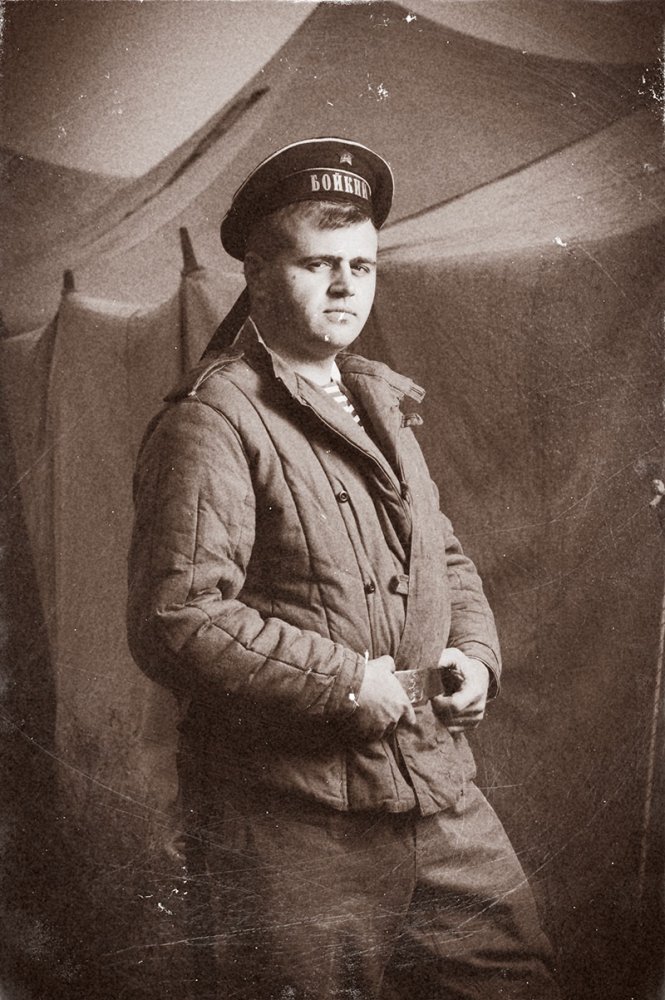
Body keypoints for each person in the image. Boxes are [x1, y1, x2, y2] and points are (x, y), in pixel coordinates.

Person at [127, 137, 560, 1000]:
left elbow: (441, 553)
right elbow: (179, 618)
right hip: (292, 818)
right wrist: (346, 681)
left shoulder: (379, 404)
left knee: (514, 980)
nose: (344, 287)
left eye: (361, 267)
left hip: (431, 786)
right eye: (316, 264)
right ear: (256, 276)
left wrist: (475, 656)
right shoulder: (212, 420)